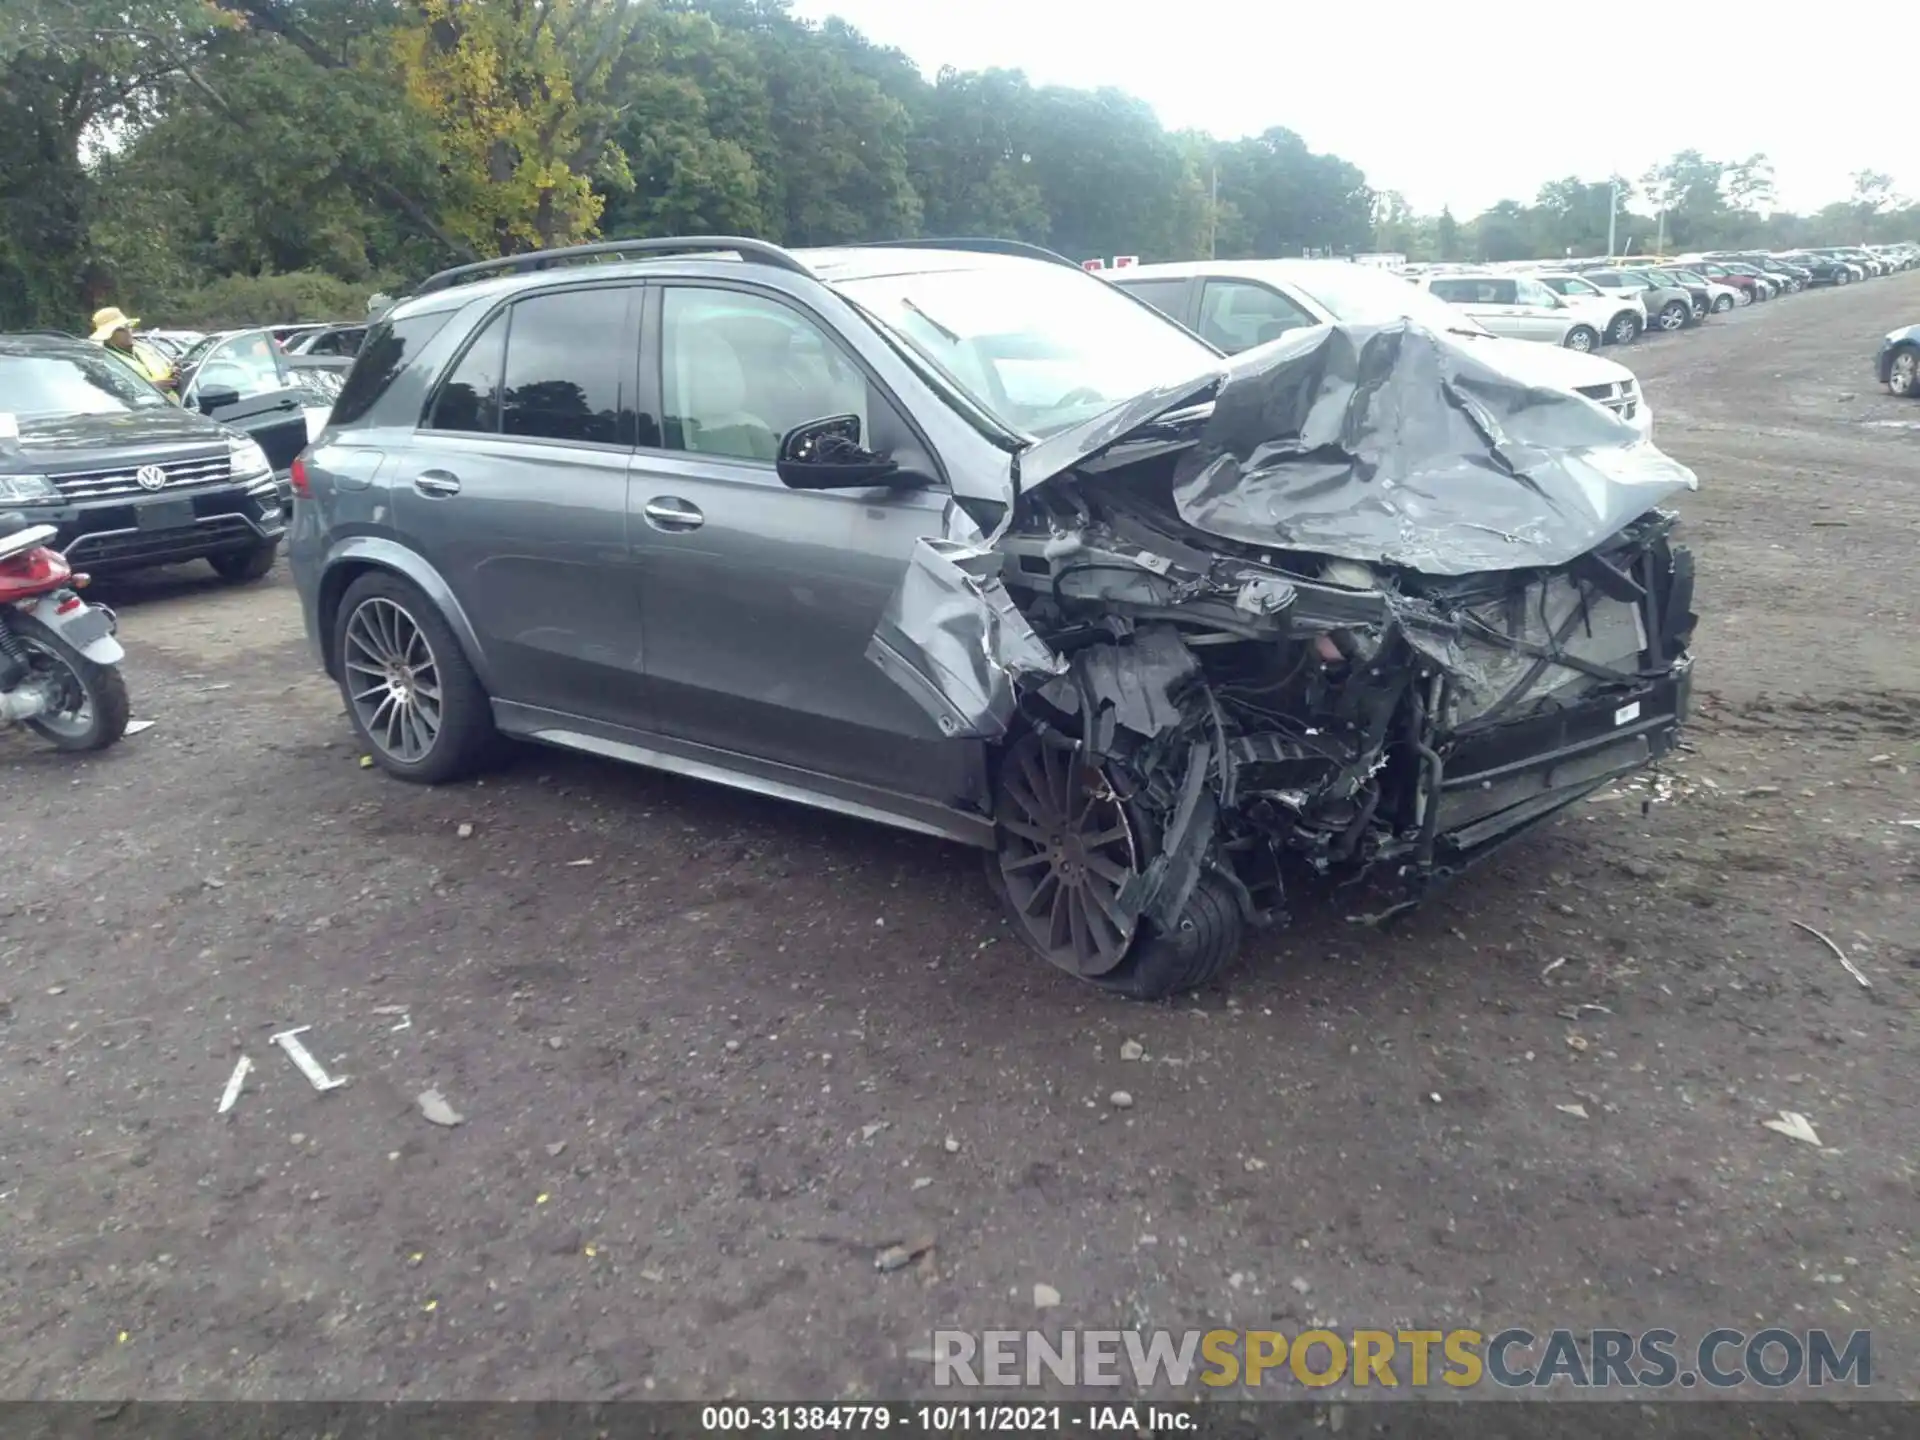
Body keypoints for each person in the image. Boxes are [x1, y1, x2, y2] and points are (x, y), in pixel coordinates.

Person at [89, 306, 177, 393]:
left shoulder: (145, 349)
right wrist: (151, 389)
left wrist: (173, 374)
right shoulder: (103, 361)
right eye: (120, 329)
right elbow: (113, 394)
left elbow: (164, 371)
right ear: (108, 336)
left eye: (128, 326)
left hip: (173, 405)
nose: (128, 331)